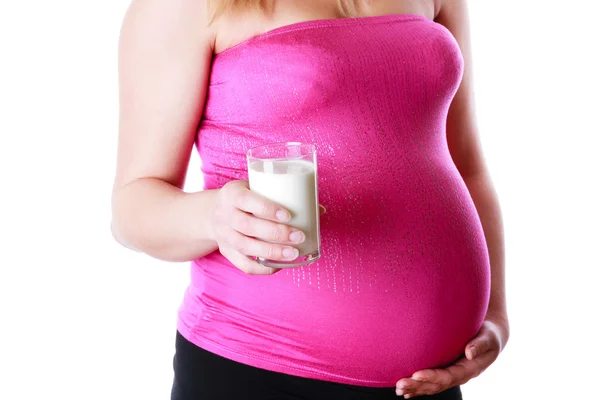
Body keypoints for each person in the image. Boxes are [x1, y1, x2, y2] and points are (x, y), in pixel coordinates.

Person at [111, 0, 509, 398]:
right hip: (257, 369)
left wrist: (494, 313)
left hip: (429, 381)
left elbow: (468, 167)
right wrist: (213, 217)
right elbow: (131, 209)